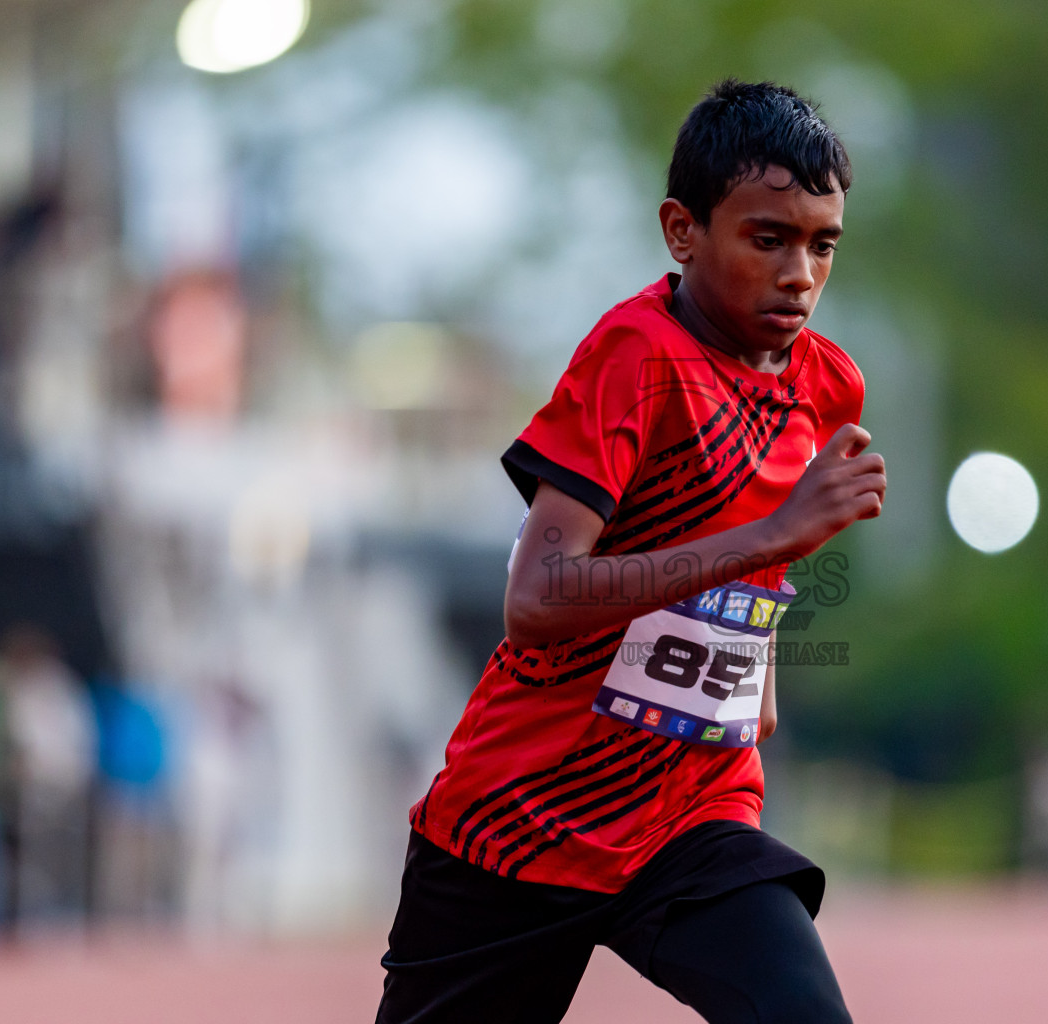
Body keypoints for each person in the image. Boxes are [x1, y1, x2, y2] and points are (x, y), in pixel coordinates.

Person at [376, 79, 886, 1024]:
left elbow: (760, 555)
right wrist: (773, 536)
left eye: (823, 245)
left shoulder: (828, 384)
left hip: (690, 813)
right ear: (682, 231)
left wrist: (756, 672)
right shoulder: (634, 359)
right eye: (766, 237)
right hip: (523, 819)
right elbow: (537, 597)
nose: (800, 274)